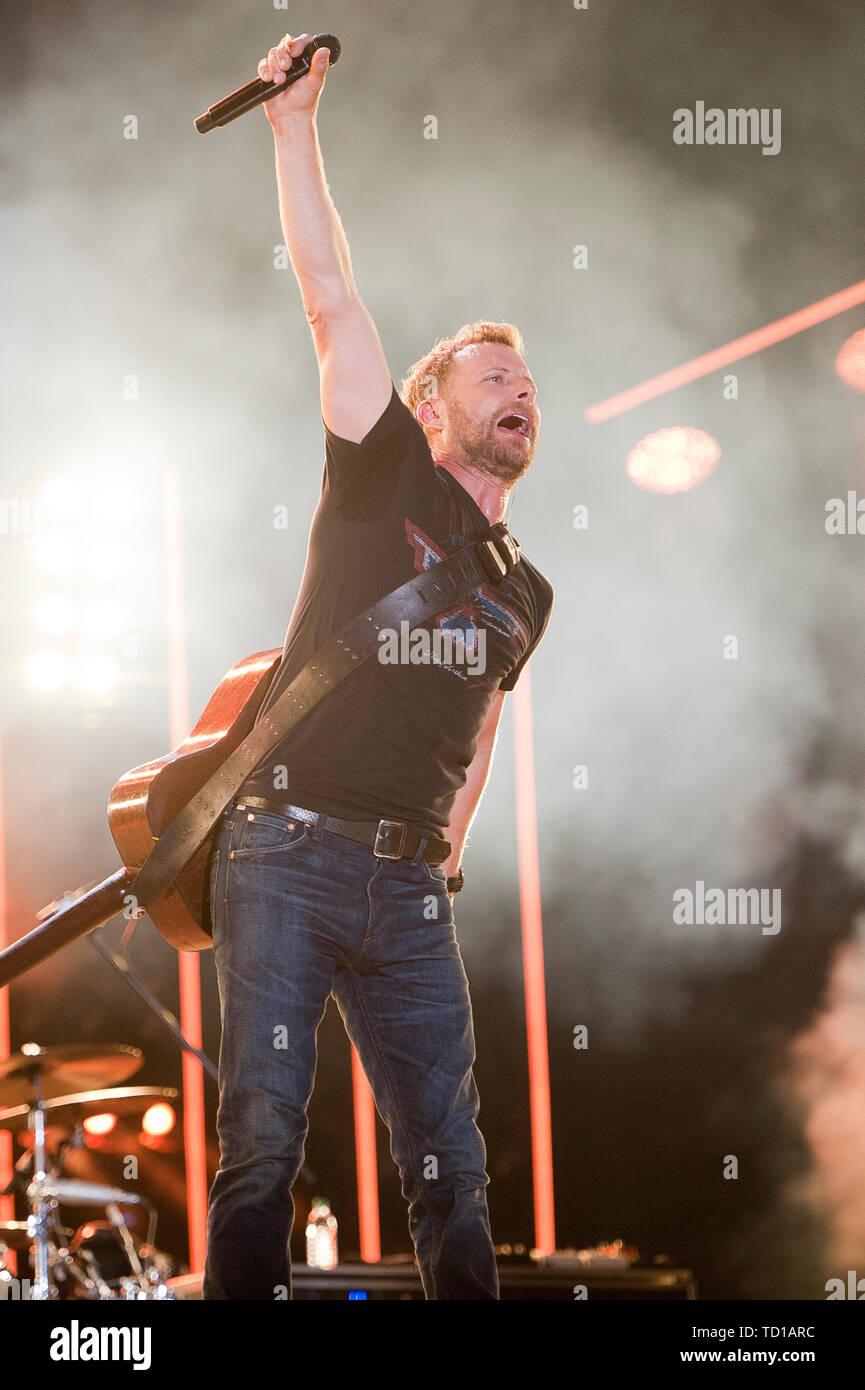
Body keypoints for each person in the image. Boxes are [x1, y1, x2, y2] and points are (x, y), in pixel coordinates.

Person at [202, 31, 554, 1301]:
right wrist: (296, 129)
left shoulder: (527, 590)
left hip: (409, 894)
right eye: (495, 374)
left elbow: (487, 720)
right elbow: (330, 296)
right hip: (287, 851)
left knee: (452, 1170)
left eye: (528, 380)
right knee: (261, 1153)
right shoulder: (381, 463)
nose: (521, 389)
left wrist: (448, 846)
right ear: (432, 398)